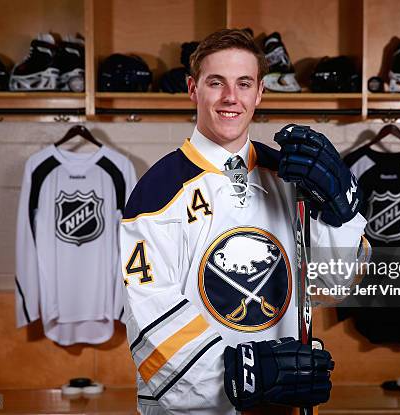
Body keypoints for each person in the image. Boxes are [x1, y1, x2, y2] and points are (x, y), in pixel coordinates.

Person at [120, 28, 368, 415]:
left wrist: (341, 214)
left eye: (244, 83)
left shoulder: (292, 178)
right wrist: (239, 375)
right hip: (197, 409)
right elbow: (148, 311)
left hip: (286, 403)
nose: (230, 97)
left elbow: (334, 282)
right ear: (193, 89)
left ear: (259, 93)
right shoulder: (157, 191)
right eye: (215, 83)